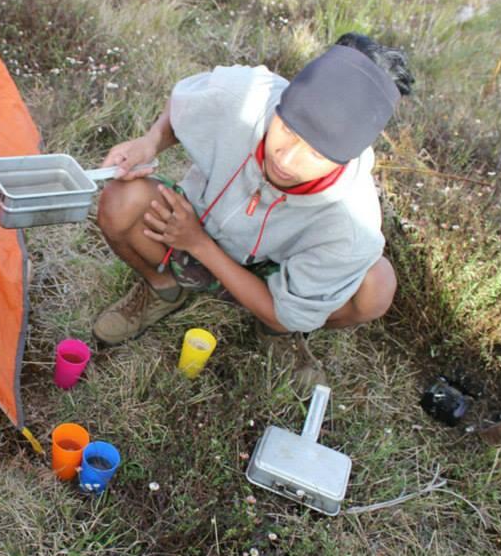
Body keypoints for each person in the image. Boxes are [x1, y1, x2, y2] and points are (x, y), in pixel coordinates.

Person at [92, 33, 414, 385]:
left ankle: (275, 336)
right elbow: (183, 103)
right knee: (120, 200)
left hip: (270, 275)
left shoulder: (354, 224)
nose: (286, 160)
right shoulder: (244, 95)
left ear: (345, 158)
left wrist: (198, 244)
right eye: (288, 129)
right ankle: (163, 287)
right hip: (189, 223)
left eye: (317, 153)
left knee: (376, 287)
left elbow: (283, 313)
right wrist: (150, 141)